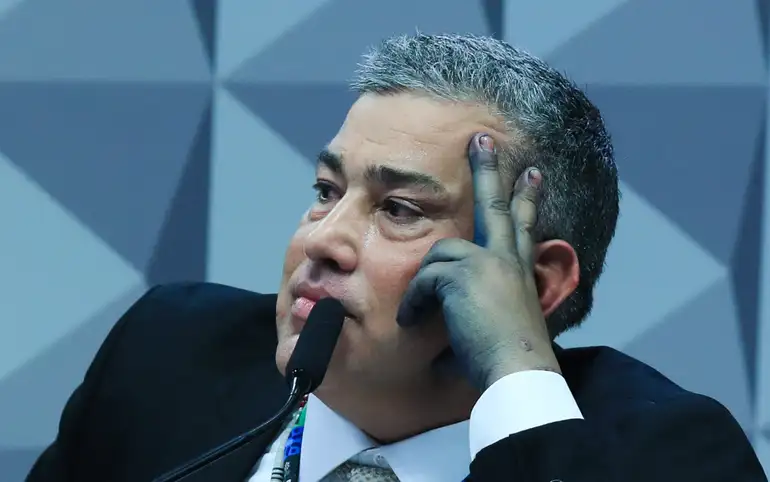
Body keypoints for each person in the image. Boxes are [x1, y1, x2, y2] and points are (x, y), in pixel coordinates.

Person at [26, 33, 765, 482]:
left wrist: (516, 378)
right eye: (326, 191)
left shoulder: (669, 457)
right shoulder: (167, 354)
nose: (322, 239)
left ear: (536, 284)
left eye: (399, 210)